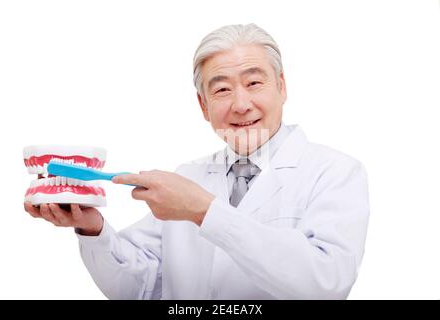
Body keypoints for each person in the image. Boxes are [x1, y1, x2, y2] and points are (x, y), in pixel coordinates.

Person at [24, 23, 370, 299]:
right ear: (203, 106)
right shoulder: (188, 176)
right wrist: (92, 229)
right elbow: (141, 288)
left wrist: (203, 211)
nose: (240, 104)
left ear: (281, 87)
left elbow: (326, 283)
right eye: (221, 90)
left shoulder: (336, 172)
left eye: (253, 82)